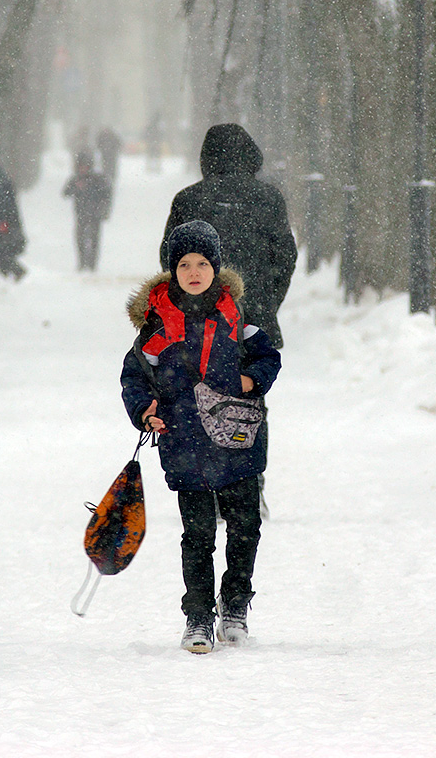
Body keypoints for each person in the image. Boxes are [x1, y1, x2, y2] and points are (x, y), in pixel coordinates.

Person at [120, 221, 281, 653]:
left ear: (216, 268)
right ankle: (197, 615)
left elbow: (269, 356)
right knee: (198, 535)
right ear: (173, 271)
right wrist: (144, 410)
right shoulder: (157, 326)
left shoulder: (237, 317)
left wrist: (251, 381)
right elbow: (134, 375)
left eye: (203, 263)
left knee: (245, 527)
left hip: (237, 442)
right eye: (185, 264)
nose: (194, 271)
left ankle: (235, 604)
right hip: (186, 444)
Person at [162, 123, 297, 349]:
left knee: (203, 380)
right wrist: (267, 300)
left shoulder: (188, 200)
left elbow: (170, 258)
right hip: (255, 316)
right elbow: (285, 257)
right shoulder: (269, 198)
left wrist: (189, 298)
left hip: (200, 317)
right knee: (249, 380)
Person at [62, 149, 112, 271]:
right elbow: (65, 193)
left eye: (85, 166)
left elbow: (106, 195)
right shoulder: (75, 179)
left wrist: (104, 210)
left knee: (94, 239)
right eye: (81, 166)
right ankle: (82, 262)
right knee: (80, 238)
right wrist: (75, 188)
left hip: (95, 214)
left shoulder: (98, 179)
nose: (83, 168)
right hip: (80, 214)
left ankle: (92, 264)